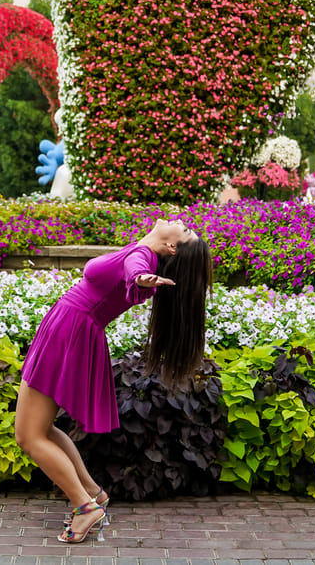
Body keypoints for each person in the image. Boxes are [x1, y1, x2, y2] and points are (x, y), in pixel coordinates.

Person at [14, 218, 211, 544]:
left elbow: (135, 271)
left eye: (187, 231)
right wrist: (140, 279)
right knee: (42, 430)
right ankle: (92, 494)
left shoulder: (144, 258)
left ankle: (85, 506)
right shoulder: (143, 251)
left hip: (69, 332)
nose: (182, 222)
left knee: (28, 436)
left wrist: (140, 279)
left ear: (172, 247)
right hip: (69, 329)